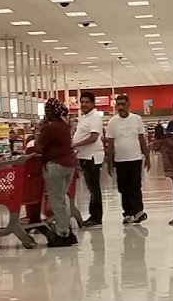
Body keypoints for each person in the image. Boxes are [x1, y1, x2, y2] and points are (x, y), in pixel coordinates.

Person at [31, 99, 77, 246]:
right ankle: (68, 231)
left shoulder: (51, 128)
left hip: (56, 166)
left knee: (57, 201)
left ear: (50, 112)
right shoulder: (64, 126)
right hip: (68, 165)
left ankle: (63, 234)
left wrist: (39, 131)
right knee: (63, 199)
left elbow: (38, 147)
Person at [104, 92, 149, 224]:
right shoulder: (112, 122)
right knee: (123, 188)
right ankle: (128, 213)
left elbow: (141, 139)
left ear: (128, 105)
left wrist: (147, 156)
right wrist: (109, 162)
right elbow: (110, 143)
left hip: (135, 158)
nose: (121, 107)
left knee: (135, 185)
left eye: (123, 104)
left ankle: (138, 211)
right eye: (118, 105)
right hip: (120, 160)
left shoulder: (137, 119)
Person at [72, 88, 106, 227]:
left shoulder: (95, 117)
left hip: (92, 157)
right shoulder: (84, 117)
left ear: (93, 103)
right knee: (91, 188)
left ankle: (96, 217)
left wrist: (75, 144)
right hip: (84, 156)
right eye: (82, 102)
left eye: (87, 102)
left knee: (94, 188)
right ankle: (94, 216)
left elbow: (93, 137)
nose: (84, 104)